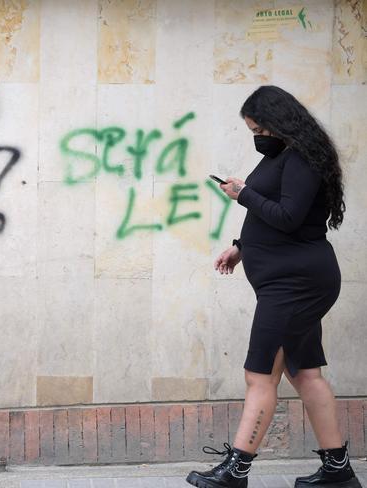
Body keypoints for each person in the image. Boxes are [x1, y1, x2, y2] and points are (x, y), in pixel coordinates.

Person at [185, 86, 361, 488]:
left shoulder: (301, 159)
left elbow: (289, 217)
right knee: (305, 374)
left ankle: (237, 470)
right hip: (290, 281)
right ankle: (338, 471)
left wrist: (244, 194)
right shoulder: (286, 156)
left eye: (261, 127)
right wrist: (241, 248)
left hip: (295, 285)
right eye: (252, 129)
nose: (257, 136)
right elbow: (276, 220)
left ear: (281, 123)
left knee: (259, 375)